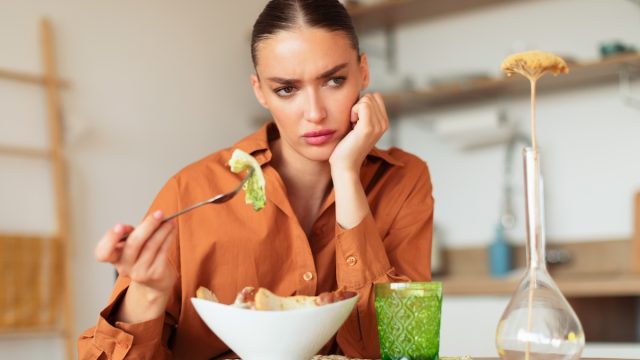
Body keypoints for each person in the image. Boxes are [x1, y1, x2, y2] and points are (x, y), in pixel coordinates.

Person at [78, 0, 434, 359]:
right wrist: (148, 293)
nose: (315, 113)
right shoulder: (192, 191)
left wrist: (346, 173)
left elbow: (401, 351)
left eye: (334, 81)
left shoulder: (403, 181)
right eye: (286, 89)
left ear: (363, 72)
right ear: (259, 90)